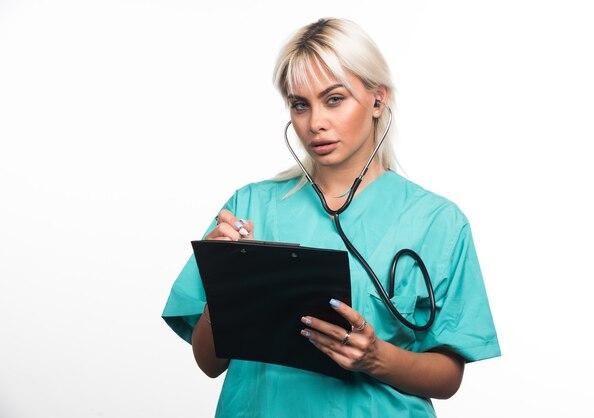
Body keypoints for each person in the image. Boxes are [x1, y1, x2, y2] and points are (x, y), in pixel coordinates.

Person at [162, 17, 500, 418]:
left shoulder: (438, 221)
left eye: (334, 99)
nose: (315, 123)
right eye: (299, 104)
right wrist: (225, 284)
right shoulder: (250, 207)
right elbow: (209, 364)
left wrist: (376, 358)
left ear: (378, 100)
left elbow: (448, 377)